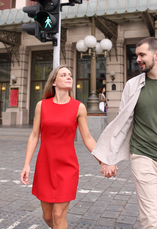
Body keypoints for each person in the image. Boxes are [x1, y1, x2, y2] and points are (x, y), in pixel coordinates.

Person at [92, 37, 157, 229]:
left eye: (142, 54)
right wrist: (109, 157)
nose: (138, 59)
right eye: (136, 55)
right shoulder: (132, 85)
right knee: (150, 218)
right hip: (142, 156)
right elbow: (123, 124)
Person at [20, 66, 99, 229]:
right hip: (45, 166)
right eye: (63, 75)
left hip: (67, 167)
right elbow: (34, 135)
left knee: (58, 216)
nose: (69, 77)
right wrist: (27, 164)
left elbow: (88, 138)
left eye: (70, 75)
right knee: (48, 216)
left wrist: (104, 160)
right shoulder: (41, 106)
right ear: (54, 82)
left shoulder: (79, 107)